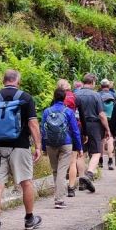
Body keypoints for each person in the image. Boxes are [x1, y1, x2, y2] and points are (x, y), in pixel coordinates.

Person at [0, 69, 42, 230]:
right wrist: (37, 145)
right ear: (18, 81)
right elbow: (33, 124)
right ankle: (29, 219)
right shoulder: (26, 98)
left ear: (4, 81)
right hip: (21, 146)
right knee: (26, 182)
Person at [40, 81, 83, 209]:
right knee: (62, 171)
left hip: (50, 144)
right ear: (64, 98)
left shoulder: (47, 111)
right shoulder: (68, 111)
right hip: (66, 143)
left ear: (54, 97)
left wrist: (43, 147)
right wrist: (79, 147)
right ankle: (59, 199)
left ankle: (58, 195)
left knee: (55, 170)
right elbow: (75, 131)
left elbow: (43, 130)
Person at [75, 74, 109, 187]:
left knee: (81, 153)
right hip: (93, 125)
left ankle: (81, 180)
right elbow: (102, 115)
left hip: (78, 125)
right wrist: (108, 129)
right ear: (93, 82)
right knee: (96, 152)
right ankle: (89, 174)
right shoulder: (96, 95)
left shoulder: (75, 94)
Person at [98, 78, 116, 172]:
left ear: (101, 86)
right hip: (111, 119)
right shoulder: (113, 94)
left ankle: (100, 160)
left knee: (101, 140)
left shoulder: (98, 94)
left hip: (100, 119)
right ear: (108, 86)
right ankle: (110, 160)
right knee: (110, 139)